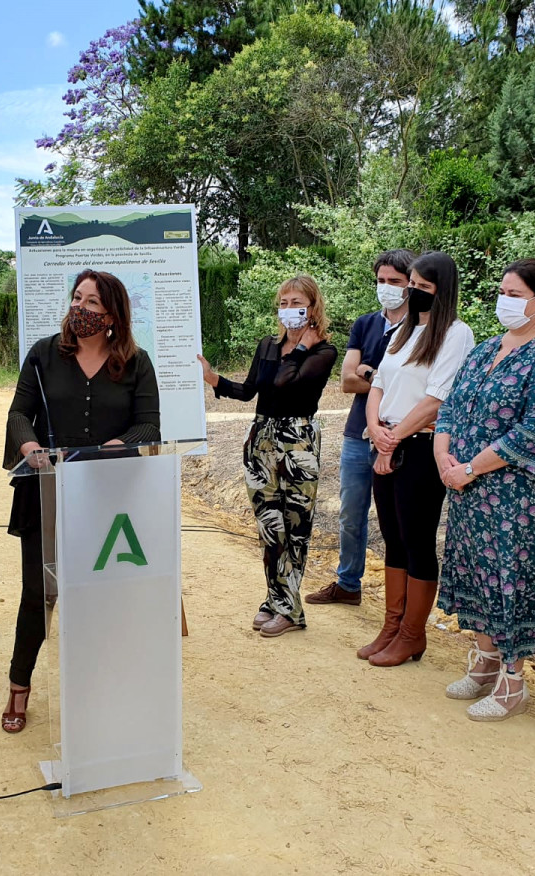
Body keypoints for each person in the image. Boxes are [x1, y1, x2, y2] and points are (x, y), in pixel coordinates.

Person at [1, 269, 161, 732]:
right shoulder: (43, 355)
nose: (81, 309)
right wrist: (29, 447)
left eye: (92, 303)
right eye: (77, 298)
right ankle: (18, 690)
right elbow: (18, 414)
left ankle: (100, 688)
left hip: (108, 498)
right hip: (45, 492)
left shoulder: (136, 362)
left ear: (111, 315)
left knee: (101, 595)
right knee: (39, 594)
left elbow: (149, 426)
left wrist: (114, 447)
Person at [434, 259, 535, 721]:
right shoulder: (485, 350)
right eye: (502, 291)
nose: (505, 301)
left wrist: (470, 467)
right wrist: (443, 456)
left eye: (516, 293)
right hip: (468, 491)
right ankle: (483, 663)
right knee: (479, 574)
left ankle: (512, 680)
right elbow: (451, 408)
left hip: (520, 497)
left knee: (510, 580)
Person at [198, 275, 338, 636]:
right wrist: (214, 379)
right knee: (269, 526)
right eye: (284, 302)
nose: (289, 309)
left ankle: (288, 610)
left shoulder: (324, 352)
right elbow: (250, 391)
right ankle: (277, 599)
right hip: (261, 439)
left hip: (299, 442)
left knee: (295, 527)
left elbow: (285, 382)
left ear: (313, 307)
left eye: (297, 302)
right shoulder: (267, 345)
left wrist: (302, 347)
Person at [359, 250, 475, 667]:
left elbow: (436, 399)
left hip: (422, 446)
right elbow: (377, 386)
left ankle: (412, 634)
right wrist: (376, 430)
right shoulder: (401, 332)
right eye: (413, 285)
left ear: (442, 291)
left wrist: (392, 440)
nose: (413, 292)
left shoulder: (455, 334)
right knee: (392, 537)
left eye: (424, 287)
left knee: (418, 539)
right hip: (386, 438)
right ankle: (391, 627)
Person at [306, 250, 412, 607]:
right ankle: (348, 583)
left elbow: (417, 387)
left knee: (397, 516)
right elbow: (347, 382)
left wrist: (371, 372)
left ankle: (407, 597)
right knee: (352, 512)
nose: (386, 288)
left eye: (395, 282)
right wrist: (381, 380)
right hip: (357, 432)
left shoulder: (421, 328)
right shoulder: (365, 324)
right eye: (381, 281)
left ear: (411, 284)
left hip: (402, 433)